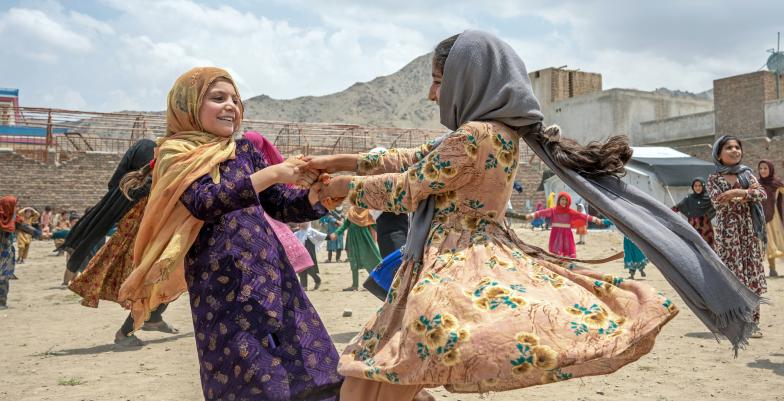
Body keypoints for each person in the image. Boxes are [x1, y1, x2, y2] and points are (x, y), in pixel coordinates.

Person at [304, 31, 687, 400]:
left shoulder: (475, 134)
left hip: (450, 265)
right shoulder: (496, 132)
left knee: (388, 370)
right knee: (382, 371)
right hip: (455, 257)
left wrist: (340, 186)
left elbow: (407, 189)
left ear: (468, 80)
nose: (432, 94)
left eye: (438, 81)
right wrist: (335, 162)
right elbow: (410, 159)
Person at [117, 67, 342, 400]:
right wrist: (272, 173)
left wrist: (318, 197)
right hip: (222, 283)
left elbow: (279, 205)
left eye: (235, 100)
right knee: (247, 369)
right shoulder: (175, 154)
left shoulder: (245, 151)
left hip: (271, 272)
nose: (231, 107)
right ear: (188, 105)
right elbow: (204, 201)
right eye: (217, 98)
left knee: (308, 364)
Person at [707, 136, 767, 338]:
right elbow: (719, 202)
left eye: (737, 147)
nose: (734, 150)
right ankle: (733, 324)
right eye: (729, 147)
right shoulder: (713, 178)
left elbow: (762, 194)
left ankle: (752, 323)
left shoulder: (747, 174)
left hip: (749, 234)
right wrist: (746, 195)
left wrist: (737, 193)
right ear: (719, 154)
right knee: (731, 278)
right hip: (728, 236)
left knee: (752, 277)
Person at [525, 192, 604, 258]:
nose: (564, 201)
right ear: (559, 200)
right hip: (555, 233)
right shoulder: (553, 210)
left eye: (566, 200)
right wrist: (531, 215)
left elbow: (582, 216)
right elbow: (542, 212)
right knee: (556, 251)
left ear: (568, 202)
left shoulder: (570, 211)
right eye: (562, 199)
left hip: (566, 233)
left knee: (567, 249)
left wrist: (595, 219)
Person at [330, 206, 382, 291]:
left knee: (368, 261)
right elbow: (345, 225)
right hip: (352, 239)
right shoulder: (352, 212)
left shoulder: (368, 213)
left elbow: (375, 226)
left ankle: (377, 283)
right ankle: (355, 285)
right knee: (353, 260)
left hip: (365, 240)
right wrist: (336, 233)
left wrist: (381, 235)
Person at [672, 178, 715, 249]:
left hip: (706, 228)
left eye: (700, 185)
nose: (697, 188)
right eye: (695, 186)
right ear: (693, 187)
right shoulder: (689, 198)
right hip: (693, 227)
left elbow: (718, 205)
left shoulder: (709, 198)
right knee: (693, 248)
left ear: (703, 186)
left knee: (709, 248)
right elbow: (677, 207)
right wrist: (665, 212)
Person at [757, 159, 783, 277]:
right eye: (760, 168)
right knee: (768, 243)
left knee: (781, 241)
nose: (762, 170)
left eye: (765, 168)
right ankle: (772, 268)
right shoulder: (756, 184)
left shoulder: (777, 183)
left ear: (770, 169)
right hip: (762, 218)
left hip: (775, 217)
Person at [294, 222, 327, 290]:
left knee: (310, 270)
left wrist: (332, 236)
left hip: (309, 254)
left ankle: (317, 280)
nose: (301, 223)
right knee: (302, 270)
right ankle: (304, 286)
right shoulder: (297, 233)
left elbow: (322, 236)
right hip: (300, 255)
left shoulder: (311, 231)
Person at [0, 196, 18, 309]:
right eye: (14, 205)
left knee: (3, 277)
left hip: (6, 254)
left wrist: (39, 234)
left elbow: (23, 226)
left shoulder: (12, 218)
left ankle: (2, 302)